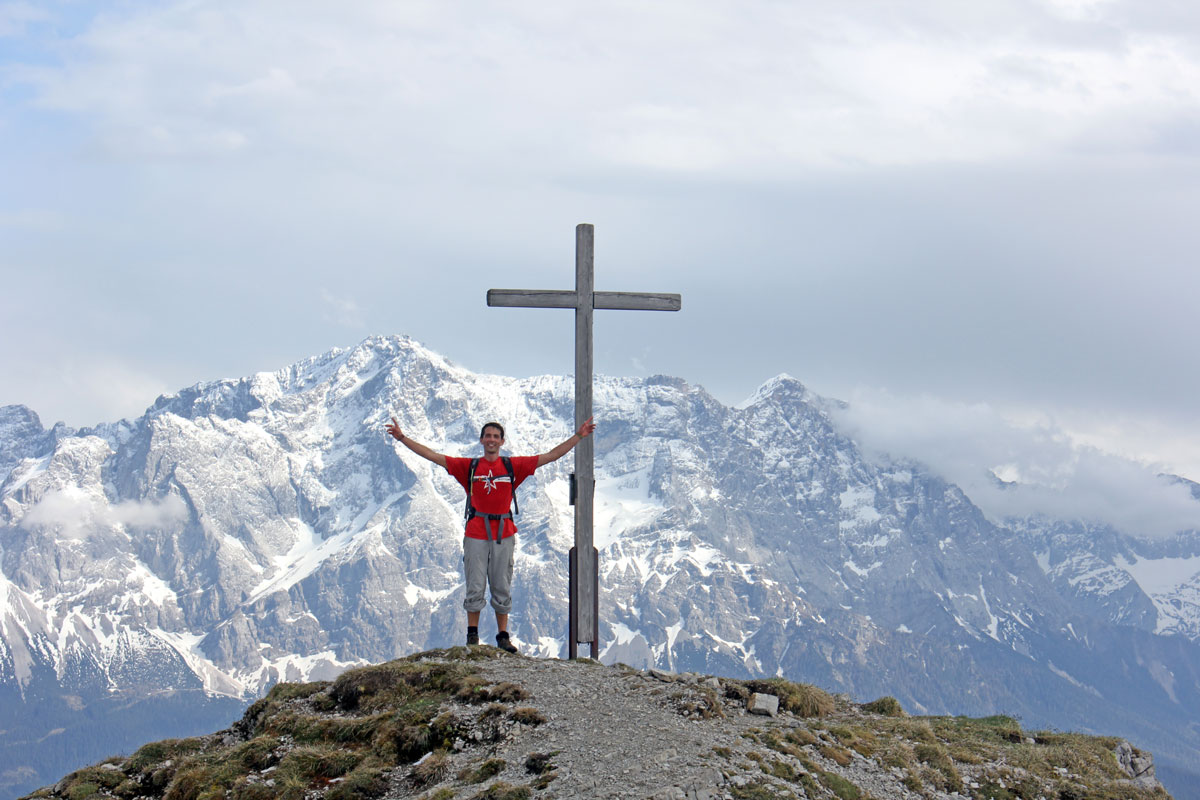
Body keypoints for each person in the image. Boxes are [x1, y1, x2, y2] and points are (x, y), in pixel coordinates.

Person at [385, 415, 595, 653]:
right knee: (475, 583)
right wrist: (402, 438)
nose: (492, 440)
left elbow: (550, 456)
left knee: (501, 584)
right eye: (488, 436)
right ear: (482, 440)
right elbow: (434, 456)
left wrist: (578, 436)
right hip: (476, 531)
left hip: (503, 532)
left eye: (496, 436)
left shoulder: (512, 466)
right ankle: (472, 636)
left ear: (502, 441)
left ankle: (502, 636)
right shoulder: (469, 467)